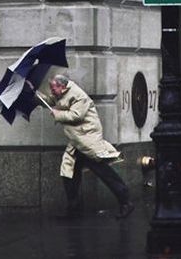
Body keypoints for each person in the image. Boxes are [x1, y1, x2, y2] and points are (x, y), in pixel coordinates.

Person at [47, 73, 134, 220]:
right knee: (69, 173)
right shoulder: (63, 93)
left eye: (53, 88)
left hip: (87, 141)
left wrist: (57, 114)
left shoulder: (78, 95)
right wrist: (34, 93)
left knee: (105, 173)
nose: (52, 91)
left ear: (62, 86)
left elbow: (76, 115)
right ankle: (73, 210)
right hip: (77, 142)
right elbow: (51, 99)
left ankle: (126, 202)